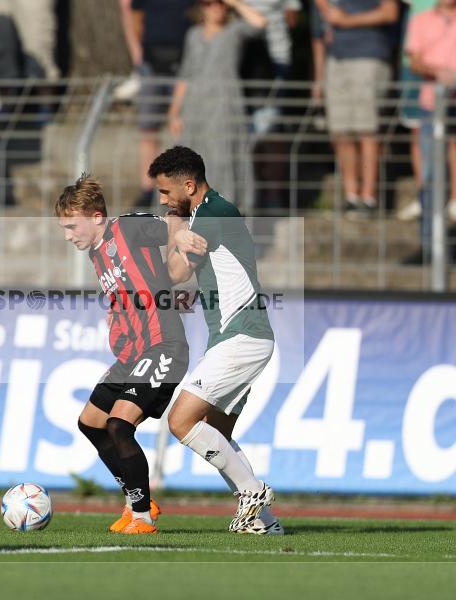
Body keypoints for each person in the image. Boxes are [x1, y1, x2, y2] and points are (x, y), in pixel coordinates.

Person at [150, 146, 282, 535]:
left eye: (165, 192)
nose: (162, 200)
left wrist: (174, 224)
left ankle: (253, 491)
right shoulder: (207, 213)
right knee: (218, 433)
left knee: (181, 420)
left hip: (242, 336)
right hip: (238, 337)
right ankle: (264, 522)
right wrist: (179, 225)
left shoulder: (211, 214)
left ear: (188, 185)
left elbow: (171, 273)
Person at [55, 175, 190, 535]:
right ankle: (137, 498)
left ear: (96, 216)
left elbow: (174, 225)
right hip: (133, 354)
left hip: (164, 345)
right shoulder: (97, 253)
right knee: (90, 423)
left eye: (72, 226)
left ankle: (143, 515)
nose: (68, 235)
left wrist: (184, 239)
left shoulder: (127, 229)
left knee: (118, 425)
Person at [402, 0, 456, 266]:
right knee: (429, 175)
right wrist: (436, 71)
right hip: (433, 101)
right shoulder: (421, 20)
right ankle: (429, 246)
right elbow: (414, 61)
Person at [168, 0, 267, 207]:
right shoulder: (193, 34)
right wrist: (174, 111)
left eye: (220, 4)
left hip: (225, 105)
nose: (215, 8)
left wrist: (235, 3)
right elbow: (185, 75)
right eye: (209, 3)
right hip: (195, 108)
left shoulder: (234, 31)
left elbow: (259, 23)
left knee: (223, 158)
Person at [316, 0, 399, 215]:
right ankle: (351, 197)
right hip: (336, 57)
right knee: (341, 131)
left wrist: (347, 21)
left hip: (369, 56)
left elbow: (390, 12)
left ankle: (368, 198)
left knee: (366, 129)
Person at [120, 0, 193, 208]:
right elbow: (135, 17)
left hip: (183, 65)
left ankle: (184, 187)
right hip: (151, 63)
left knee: (181, 127)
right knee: (149, 129)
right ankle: (148, 189)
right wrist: (139, 56)